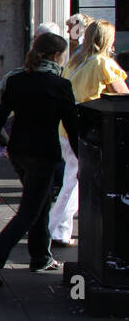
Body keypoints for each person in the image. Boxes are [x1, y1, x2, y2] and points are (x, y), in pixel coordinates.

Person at [0, 33, 80, 284]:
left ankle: (40, 256)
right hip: (43, 154)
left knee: (40, 203)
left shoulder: (18, 80)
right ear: (57, 56)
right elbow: (73, 127)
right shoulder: (60, 85)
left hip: (19, 151)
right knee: (29, 211)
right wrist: (83, 157)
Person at [48, 19, 129, 245]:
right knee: (74, 180)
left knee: (73, 178)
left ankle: (59, 229)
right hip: (86, 130)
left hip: (66, 128)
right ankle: (54, 228)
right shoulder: (102, 63)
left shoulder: (76, 61)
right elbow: (123, 94)